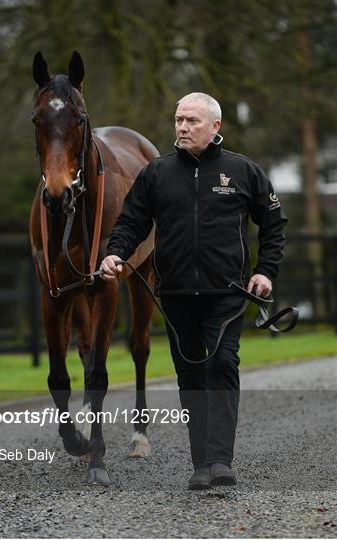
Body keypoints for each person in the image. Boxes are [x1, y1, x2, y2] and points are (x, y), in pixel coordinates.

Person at [100, 92, 288, 490]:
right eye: (179, 120)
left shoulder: (243, 171)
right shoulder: (157, 173)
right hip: (175, 295)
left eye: (192, 121)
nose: (183, 128)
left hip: (229, 292)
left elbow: (273, 224)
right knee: (190, 375)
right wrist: (115, 253)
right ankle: (200, 463)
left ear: (215, 126)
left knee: (221, 365)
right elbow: (131, 222)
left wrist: (265, 272)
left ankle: (221, 460)